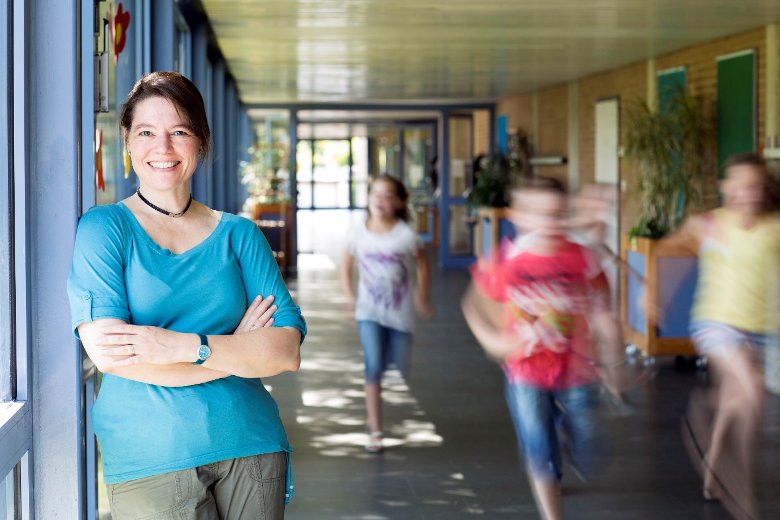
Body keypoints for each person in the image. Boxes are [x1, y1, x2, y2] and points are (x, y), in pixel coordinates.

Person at [67, 71, 306, 520]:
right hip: (151, 455)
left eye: (179, 131)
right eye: (147, 133)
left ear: (201, 140)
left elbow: (285, 352)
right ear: (127, 141)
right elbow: (112, 355)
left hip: (251, 443)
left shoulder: (241, 235)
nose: (164, 147)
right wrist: (234, 349)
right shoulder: (105, 229)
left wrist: (179, 346)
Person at [462, 177, 623, 520]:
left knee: (590, 447)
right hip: (526, 370)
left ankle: (566, 432)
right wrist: (496, 341)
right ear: (517, 216)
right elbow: (475, 303)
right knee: (539, 451)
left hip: (577, 369)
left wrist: (608, 337)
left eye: (557, 214)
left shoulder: (579, 255)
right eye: (540, 214)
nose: (550, 223)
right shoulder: (506, 260)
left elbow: (601, 293)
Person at [658, 153, 780, 520]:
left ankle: (711, 461)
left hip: (765, 329)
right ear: (725, 187)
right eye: (739, 186)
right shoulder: (709, 223)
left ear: (765, 189)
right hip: (717, 323)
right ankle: (744, 491)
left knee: (736, 400)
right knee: (754, 393)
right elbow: (669, 249)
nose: (747, 194)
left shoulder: (774, 227)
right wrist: (655, 300)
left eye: (755, 186)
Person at [340, 173, 434, 453]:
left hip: (400, 313)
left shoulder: (406, 235)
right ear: (368, 199)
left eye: (387, 195)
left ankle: (384, 382)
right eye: (376, 194)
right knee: (373, 365)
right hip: (368, 311)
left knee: (398, 365)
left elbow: (423, 264)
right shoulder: (358, 232)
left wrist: (421, 295)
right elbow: (345, 266)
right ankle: (376, 429)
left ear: (399, 202)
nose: (380, 201)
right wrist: (350, 297)